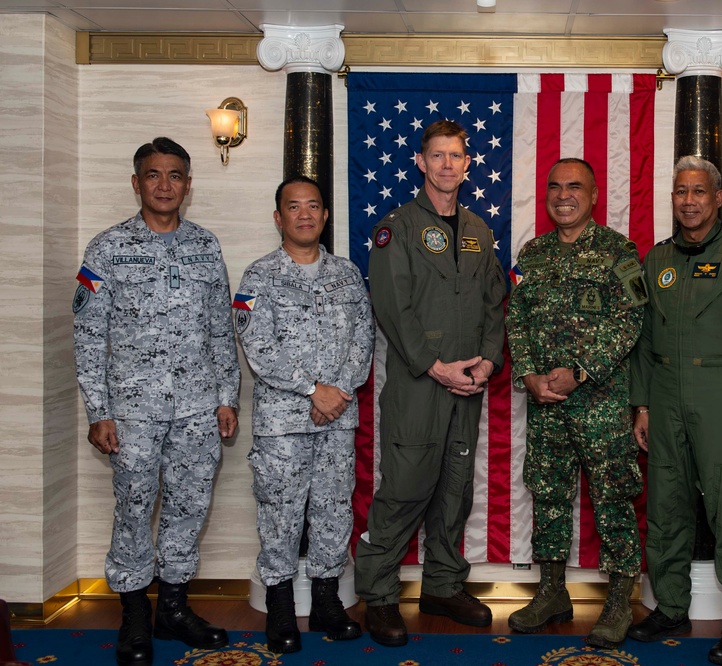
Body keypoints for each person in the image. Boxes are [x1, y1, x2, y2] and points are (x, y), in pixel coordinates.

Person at [73, 137, 240, 666]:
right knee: (134, 509)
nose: (164, 185)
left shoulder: (205, 246)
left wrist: (226, 397)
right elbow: (87, 334)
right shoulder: (106, 249)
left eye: (174, 176)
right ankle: (135, 618)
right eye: (153, 175)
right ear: (136, 182)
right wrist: (98, 410)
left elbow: (220, 330)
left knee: (189, 509)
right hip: (132, 411)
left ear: (188, 185)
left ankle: (172, 608)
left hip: (196, 408)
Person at [355, 119, 506, 647]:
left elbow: (494, 304)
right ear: (420, 162)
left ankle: (443, 585)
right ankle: (378, 595)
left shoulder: (479, 230)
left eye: (455, 156)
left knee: (454, 492)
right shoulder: (395, 228)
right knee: (404, 491)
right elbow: (392, 309)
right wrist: (436, 366)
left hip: (468, 384)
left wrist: (487, 362)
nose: (446, 164)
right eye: (437, 155)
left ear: (468, 165)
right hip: (420, 385)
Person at [629, 155, 722, 666]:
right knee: (667, 509)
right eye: (680, 192)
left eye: (699, 191)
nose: (689, 200)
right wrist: (643, 404)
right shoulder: (657, 260)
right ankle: (671, 606)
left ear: (718, 198)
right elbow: (645, 339)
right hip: (666, 397)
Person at [505, 158, 647, 649]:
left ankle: (618, 601)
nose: (563, 195)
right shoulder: (534, 253)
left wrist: (580, 371)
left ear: (593, 195)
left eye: (574, 187)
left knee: (612, 498)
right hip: (546, 402)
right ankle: (551, 593)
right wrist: (527, 374)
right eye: (554, 186)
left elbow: (631, 320)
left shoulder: (619, 251)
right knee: (547, 495)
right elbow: (516, 318)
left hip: (601, 403)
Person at [234, 176, 374, 653]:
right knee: (280, 511)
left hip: (338, 418)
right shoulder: (258, 277)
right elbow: (257, 347)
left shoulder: (348, 275)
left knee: (334, 509)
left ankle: (326, 601)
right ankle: (279, 608)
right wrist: (314, 390)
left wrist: (339, 393)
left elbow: (364, 338)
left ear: (325, 215)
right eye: (294, 207)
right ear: (279, 218)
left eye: (313, 206)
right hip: (282, 422)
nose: (305, 214)